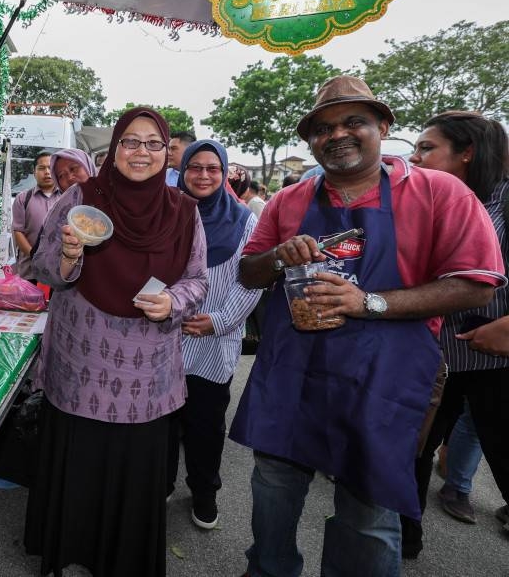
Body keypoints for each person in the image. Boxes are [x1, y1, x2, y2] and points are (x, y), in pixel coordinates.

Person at [229, 76, 504, 577]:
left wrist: (368, 301)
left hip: (383, 375)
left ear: (382, 125)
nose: (337, 134)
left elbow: (477, 283)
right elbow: (248, 271)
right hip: (294, 368)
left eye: (353, 121)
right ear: (311, 139)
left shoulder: (439, 192)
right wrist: (276, 258)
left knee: (369, 508)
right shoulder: (291, 199)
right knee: (273, 487)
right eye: (323, 127)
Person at [24, 107, 208, 577]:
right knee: (80, 464)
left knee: (131, 468)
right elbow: (43, 271)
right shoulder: (80, 198)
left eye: (153, 143)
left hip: (145, 375)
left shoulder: (184, 210)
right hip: (80, 362)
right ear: (114, 149)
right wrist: (68, 256)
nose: (141, 152)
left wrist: (173, 302)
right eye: (130, 141)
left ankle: (121, 560)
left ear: (167, 152)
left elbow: (197, 280)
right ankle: (67, 552)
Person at [401, 111, 509, 552]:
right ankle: (405, 535)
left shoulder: (502, 200)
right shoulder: (423, 201)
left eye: (428, 148)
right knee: (414, 449)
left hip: (494, 357)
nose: (416, 157)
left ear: (467, 153)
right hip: (433, 353)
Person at [169, 140, 263, 529]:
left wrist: (219, 320)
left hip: (213, 345)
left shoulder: (245, 221)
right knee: (161, 424)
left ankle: (204, 491)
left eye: (213, 168)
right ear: (183, 170)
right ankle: (158, 483)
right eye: (195, 167)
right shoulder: (167, 213)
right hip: (165, 339)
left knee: (205, 428)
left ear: (224, 174)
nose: (203, 175)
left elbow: (254, 282)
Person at [11, 151, 60, 280]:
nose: (47, 172)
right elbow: (18, 232)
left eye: (50, 168)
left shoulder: (66, 197)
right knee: (28, 300)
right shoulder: (23, 199)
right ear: (34, 172)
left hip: (60, 270)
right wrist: (35, 256)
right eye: (42, 168)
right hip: (30, 270)